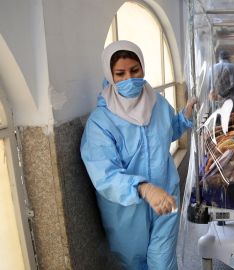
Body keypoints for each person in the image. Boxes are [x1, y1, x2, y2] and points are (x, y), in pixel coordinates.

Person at [80, 40, 196, 270]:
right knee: (135, 263)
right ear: (110, 75)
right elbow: (104, 175)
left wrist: (184, 117)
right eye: (120, 73)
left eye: (135, 70)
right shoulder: (100, 123)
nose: (129, 79)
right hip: (126, 212)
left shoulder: (158, 103)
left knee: (163, 261)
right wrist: (143, 188)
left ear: (143, 67)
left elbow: (168, 131)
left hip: (166, 195)